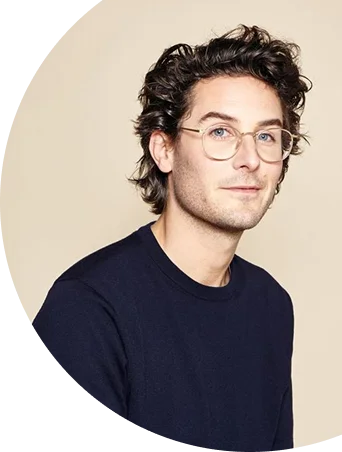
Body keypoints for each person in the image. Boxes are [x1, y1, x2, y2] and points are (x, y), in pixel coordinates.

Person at [31, 24, 312, 452]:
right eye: (220, 132)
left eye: (266, 136)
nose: (250, 158)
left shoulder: (271, 304)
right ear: (164, 150)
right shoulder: (86, 308)